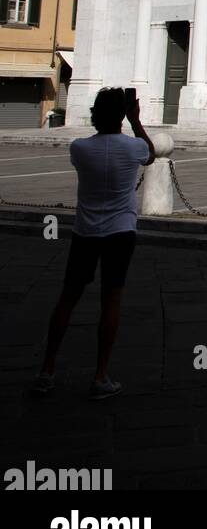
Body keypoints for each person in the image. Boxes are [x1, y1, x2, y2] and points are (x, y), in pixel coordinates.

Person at [31, 88, 155, 400]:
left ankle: (47, 370)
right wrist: (136, 120)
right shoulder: (133, 149)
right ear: (123, 115)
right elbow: (150, 153)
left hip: (85, 232)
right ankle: (100, 375)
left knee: (67, 298)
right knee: (111, 301)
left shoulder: (79, 149)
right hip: (120, 232)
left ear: (94, 114)